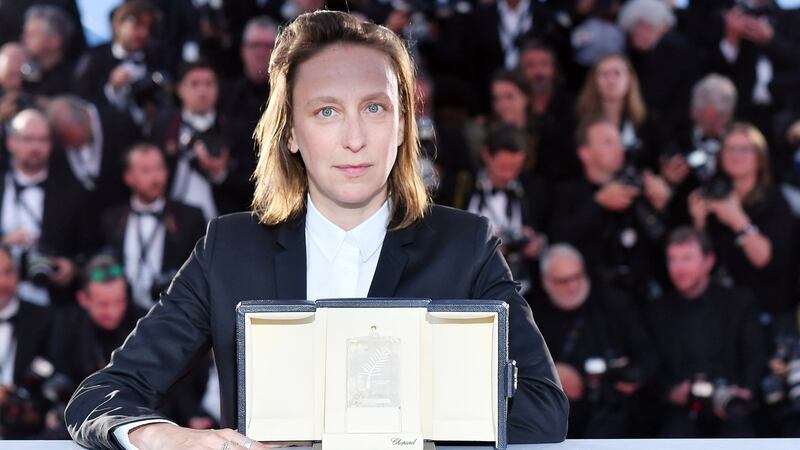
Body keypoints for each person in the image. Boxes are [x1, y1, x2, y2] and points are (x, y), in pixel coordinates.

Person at [65, 11, 568, 450]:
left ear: (401, 125)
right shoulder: (230, 249)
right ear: (290, 133)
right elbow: (99, 397)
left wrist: (373, 419)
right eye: (326, 111)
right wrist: (161, 436)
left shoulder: (466, 246)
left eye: (375, 108)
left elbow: (543, 409)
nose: (354, 139)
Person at [647, 226, 765, 437]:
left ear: (708, 261)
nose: (678, 268)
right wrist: (671, 391)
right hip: (680, 412)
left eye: (686, 258)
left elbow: (756, 352)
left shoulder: (738, 302)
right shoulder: (656, 311)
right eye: (672, 259)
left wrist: (745, 390)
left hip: (731, 405)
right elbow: (649, 362)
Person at [533, 244, 657, 438]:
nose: (573, 286)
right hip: (558, 414)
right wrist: (551, 373)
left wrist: (631, 374)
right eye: (563, 281)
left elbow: (648, 356)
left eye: (577, 276)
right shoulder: (532, 315)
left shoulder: (615, 304)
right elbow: (514, 363)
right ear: (546, 283)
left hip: (614, 411)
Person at [688, 122, 796, 318]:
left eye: (744, 149)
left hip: (766, 308)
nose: (736, 155)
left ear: (759, 158)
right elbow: (700, 262)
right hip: (723, 310)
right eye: (730, 149)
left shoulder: (775, 201)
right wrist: (699, 222)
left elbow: (766, 260)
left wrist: (738, 220)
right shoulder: (714, 194)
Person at [100, 143, 206, 309]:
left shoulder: (189, 217)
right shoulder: (111, 219)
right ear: (128, 177)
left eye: (160, 168)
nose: (156, 177)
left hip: (173, 313)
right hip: (124, 316)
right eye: (146, 171)